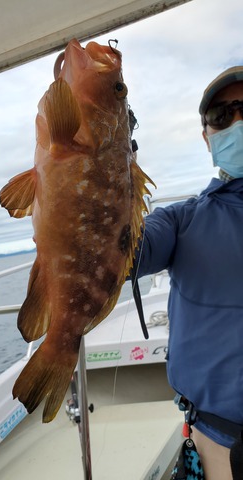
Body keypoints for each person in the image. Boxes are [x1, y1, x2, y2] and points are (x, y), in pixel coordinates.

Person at [136, 66, 243, 480]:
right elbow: (122, 254)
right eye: (222, 115)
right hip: (215, 444)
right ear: (207, 137)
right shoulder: (180, 221)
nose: (237, 121)